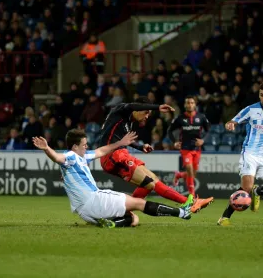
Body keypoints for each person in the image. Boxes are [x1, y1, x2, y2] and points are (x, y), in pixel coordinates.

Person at [32, 129, 193, 228]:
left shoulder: (82, 157)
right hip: (94, 200)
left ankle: (114, 224)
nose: (86, 146)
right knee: (138, 203)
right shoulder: (71, 156)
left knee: (132, 218)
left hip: (84, 212)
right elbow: (58, 158)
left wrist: (120, 143)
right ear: (74, 147)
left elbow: (102, 150)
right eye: (84, 144)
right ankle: (181, 212)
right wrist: (47, 148)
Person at [98, 96, 213, 213]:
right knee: (150, 183)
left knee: (152, 181)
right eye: (146, 112)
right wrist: (158, 107)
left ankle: (125, 212)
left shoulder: (127, 121)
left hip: (120, 153)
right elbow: (133, 105)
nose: (147, 116)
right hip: (112, 155)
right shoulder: (121, 109)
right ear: (138, 108)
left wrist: (140, 147)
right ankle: (189, 203)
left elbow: (124, 140)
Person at [217, 84, 263, 226]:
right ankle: (224, 217)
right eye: (261, 94)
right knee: (246, 189)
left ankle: (258, 191)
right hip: (251, 152)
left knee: (253, 189)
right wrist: (230, 124)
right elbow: (232, 121)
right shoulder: (252, 109)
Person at [167, 96, 213, 198]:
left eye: (192, 103)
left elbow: (209, 130)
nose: (190, 105)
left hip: (197, 149)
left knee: (192, 174)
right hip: (185, 148)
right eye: (188, 103)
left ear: (195, 104)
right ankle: (192, 196)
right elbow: (169, 131)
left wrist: (203, 140)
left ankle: (179, 175)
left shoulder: (201, 117)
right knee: (189, 169)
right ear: (185, 105)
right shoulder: (180, 118)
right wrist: (175, 142)